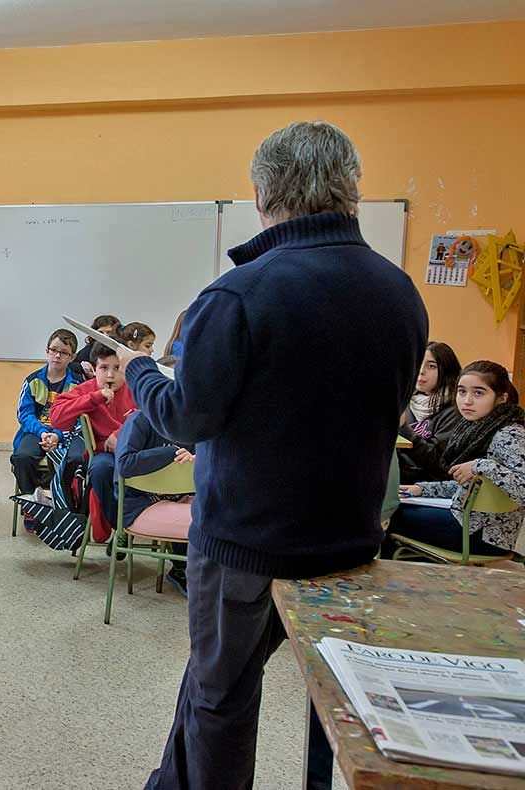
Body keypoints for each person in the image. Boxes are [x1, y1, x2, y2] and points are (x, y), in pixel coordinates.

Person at [115, 120, 427, 790]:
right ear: (350, 192)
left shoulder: (238, 295)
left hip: (246, 545)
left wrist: (139, 368)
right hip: (349, 541)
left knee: (220, 695)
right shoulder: (398, 291)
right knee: (321, 702)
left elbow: (186, 420)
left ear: (262, 197)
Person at [393, 361, 525, 556]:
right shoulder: (476, 428)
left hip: (483, 535)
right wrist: (423, 488)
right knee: (393, 509)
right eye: (462, 392)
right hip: (468, 522)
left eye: (478, 393)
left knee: (388, 516)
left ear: (501, 398)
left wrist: (479, 465)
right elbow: (475, 487)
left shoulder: (509, 433)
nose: (467, 401)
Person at [49, 342, 138, 543]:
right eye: (104, 368)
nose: (110, 375)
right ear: (94, 369)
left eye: (117, 369)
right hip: (103, 454)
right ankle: (121, 527)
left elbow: (151, 416)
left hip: (135, 452)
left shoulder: (135, 389)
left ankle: (133, 524)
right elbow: (56, 418)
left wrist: (120, 434)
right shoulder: (87, 390)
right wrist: (94, 398)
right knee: (99, 470)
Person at [115, 409, 195, 595]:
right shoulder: (140, 420)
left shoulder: (194, 424)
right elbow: (125, 464)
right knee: (206, 522)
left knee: (221, 514)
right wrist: (170, 453)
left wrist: (194, 461)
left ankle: (186, 568)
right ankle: (185, 569)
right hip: (139, 504)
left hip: (178, 497)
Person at [10, 329, 79, 503]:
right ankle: (33, 502)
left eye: (64, 353)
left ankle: (62, 503)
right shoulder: (32, 380)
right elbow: (24, 415)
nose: (57, 356)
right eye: (54, 350)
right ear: (47, 350)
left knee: (77, 460)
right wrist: (42, 432)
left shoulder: (77, 384)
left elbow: (79, 418)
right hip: (36, 432)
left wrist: (57, 434)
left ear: (72, 357)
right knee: (22, 457)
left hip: (64, 434)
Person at [398, 341, 462, 484]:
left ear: (446, 370)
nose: (421, 371)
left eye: (431, 366)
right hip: (399, 477)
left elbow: (440, 464)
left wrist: (404, 429)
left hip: (426, 486)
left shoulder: (455, 411)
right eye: (418, 363)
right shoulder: (407, 401)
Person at [71, 314, 120, 381]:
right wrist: (81, 367)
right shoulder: (88, 350)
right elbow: (69, 365)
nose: (105, 336)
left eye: (109, 332)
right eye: (100, 333)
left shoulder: (123, 350)